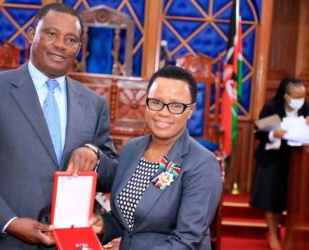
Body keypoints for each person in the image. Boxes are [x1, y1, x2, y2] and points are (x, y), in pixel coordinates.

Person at [0, 3, 117, 249]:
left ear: (78, 48)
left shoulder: (94, 104)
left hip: (68, 243)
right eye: (52, 34)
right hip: (3, 241)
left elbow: (110, 177)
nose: (60, 45)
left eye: (71, 39)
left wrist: (95, 154)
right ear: (32, 34)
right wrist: (10, 222)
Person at [90, 66, 223, 250]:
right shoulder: (131, 149)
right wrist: (105, 225)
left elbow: (186, 240)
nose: (163, 112)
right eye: (156, 102)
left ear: (190, 110)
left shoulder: (202, 163)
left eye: (176, 106)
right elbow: (130, 221)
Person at [250, 78, 309, 250]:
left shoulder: (305, 107)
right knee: (272, 199)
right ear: (286, 96)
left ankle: (286, 231)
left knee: (287, 198)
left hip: (295, 160)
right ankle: (272, 232)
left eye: (303, 96)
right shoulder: (272, 107)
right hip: (272, 158)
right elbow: (259, 132)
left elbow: (307, 134)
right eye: (297, 97)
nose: (301, 100)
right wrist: (273, 134)